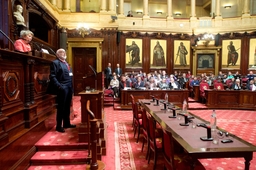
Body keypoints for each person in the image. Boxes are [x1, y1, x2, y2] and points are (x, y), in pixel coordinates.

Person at [49, 48, 75, 133]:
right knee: (61, 107)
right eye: (61, 52)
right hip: (62, 87)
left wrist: (71, 88)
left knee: (67, 106)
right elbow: (52, 76)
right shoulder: (55, 63)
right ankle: (59, 126)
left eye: (64, 52)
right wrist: (59, 86)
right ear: (57, 55)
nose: (63, 53)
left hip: (69, 87)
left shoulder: (67, 63)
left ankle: (67, 123)